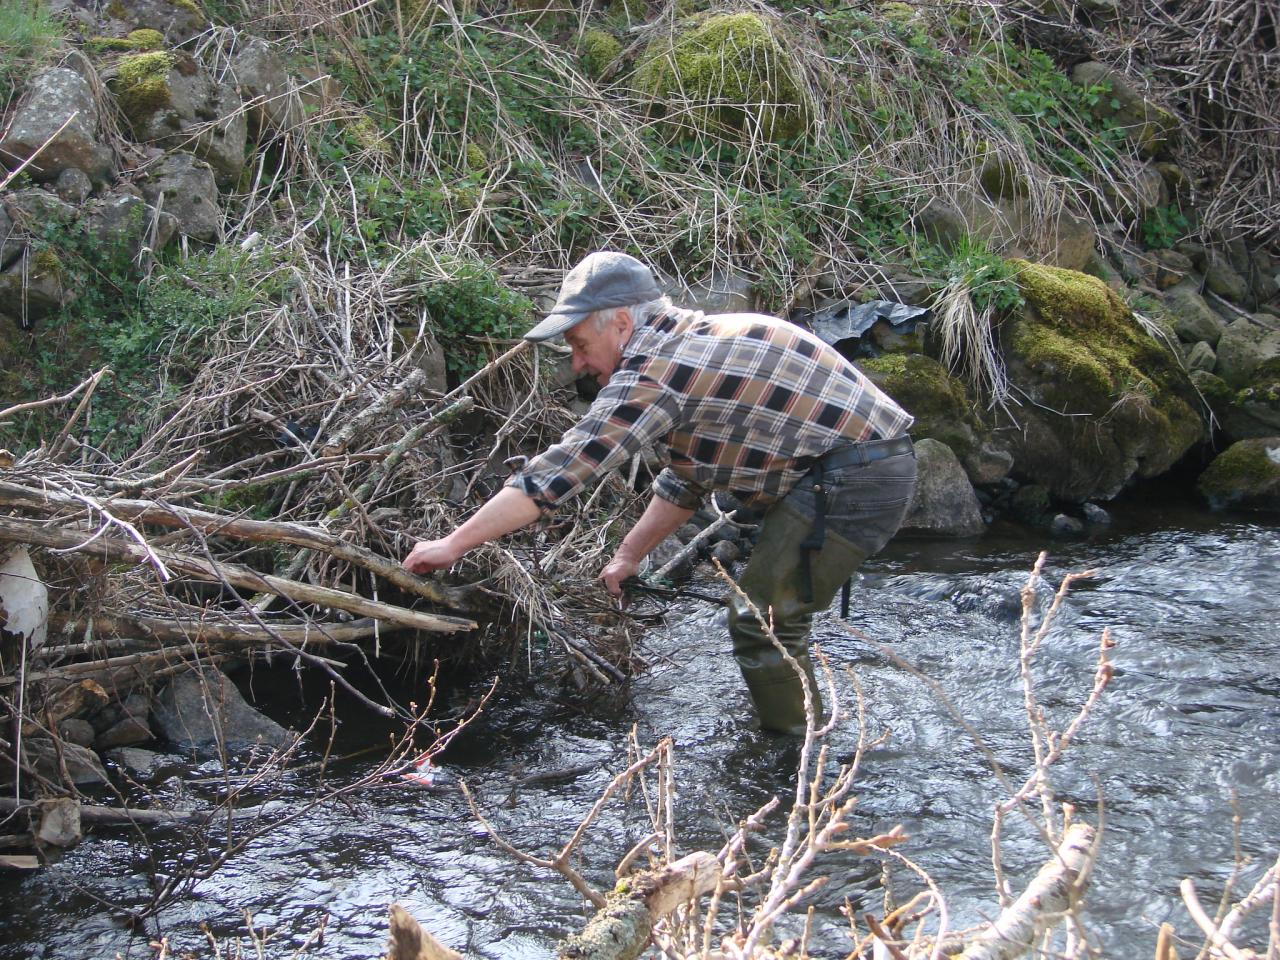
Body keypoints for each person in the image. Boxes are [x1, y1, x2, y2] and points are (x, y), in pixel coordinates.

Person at [402, 251, 917, 735]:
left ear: (621, 323)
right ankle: (792, 722)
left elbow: (553, 477)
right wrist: (630, 556)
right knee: (768, 621)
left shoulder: (656, 370)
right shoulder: (689, 341)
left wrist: (453, 546)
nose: (577, 363)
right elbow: (687, 478)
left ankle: (798, 764)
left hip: (855, 479)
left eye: (580, 345)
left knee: (763, 624)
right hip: (859, 466)